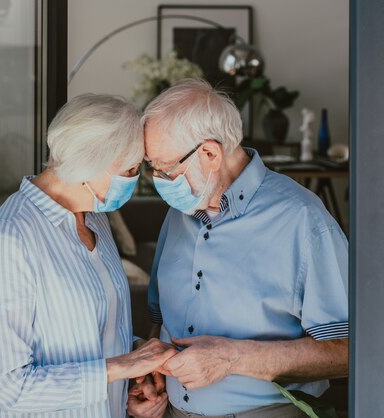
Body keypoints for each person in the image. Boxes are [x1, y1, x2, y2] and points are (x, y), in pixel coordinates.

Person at [128, 79, 348, 418]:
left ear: (211, 154)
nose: (156, 179)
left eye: (164, 168)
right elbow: (161, 321)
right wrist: (154, 378)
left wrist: (232, 358)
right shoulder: (178, 215)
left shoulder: (303, 220)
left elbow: (347, 351)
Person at [0, 93, 177, 418]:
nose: (136, 181)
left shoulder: (94, 217)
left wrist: (126, 382)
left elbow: (91, 332)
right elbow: (10, 389)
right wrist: (120, 367)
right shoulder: (8, 241)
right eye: (131, 169)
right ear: (92, 161)